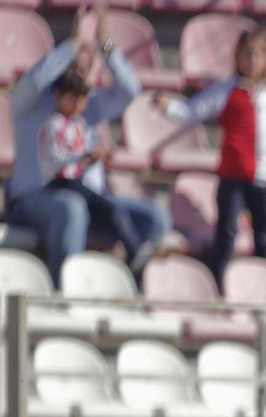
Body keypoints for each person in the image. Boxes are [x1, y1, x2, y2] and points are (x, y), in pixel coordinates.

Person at [6, 2, 169, 284]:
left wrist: (104, 42)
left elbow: (131, 90)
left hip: (91, 204)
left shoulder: (91, 106)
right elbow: (32, 82)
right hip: (34, 201)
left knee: (155, 218)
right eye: (72, 66)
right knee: (72, 208)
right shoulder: (30, 103)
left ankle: (126, 284)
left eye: (85, 68)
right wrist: (74, 43)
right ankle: (64, 294)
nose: (78, 74)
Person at [158, 26, 266, 284]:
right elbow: (193, 110)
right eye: (247, 54)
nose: (252, 60)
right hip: (233, 176)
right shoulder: (227, 89)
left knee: (264, 236)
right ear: (238, 57)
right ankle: (219, 285)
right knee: (226, 234)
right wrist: (169, 107)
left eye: (258, 54)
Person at [36, 72, 149, 268]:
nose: (77, 106)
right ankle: (134, 249)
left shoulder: (79, 124)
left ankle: (130, 250)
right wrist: (83, 156)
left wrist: (95, 158)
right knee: (110, 210)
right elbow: (54, 158)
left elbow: (79, 159)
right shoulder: (53, 124)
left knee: (112, 210)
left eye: (81, 101)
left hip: (76, 182)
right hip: (59, 183)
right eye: (72, 100)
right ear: (58, 97)